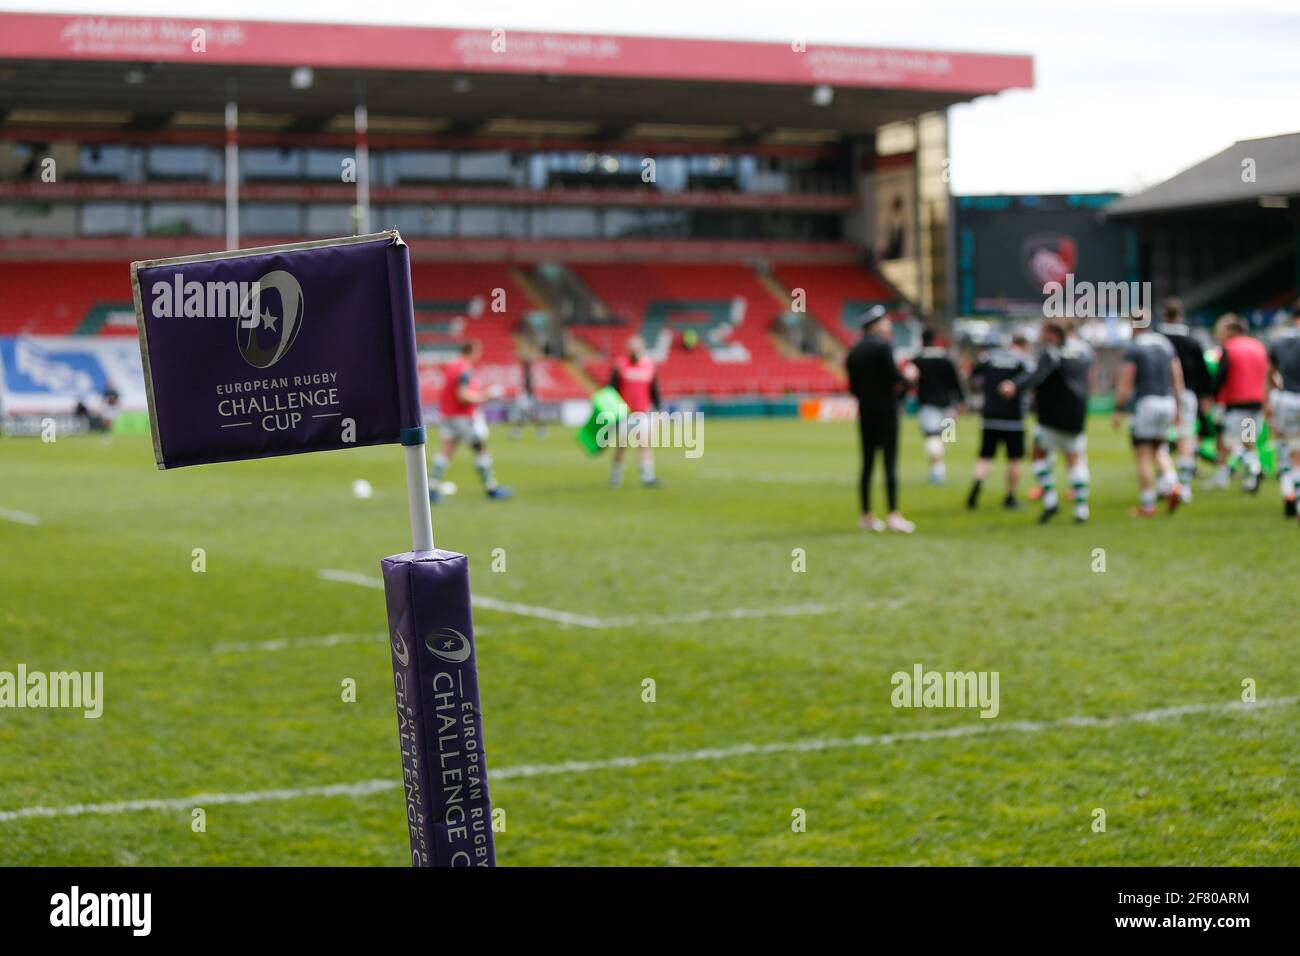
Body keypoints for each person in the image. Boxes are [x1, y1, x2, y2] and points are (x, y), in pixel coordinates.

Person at [1001, 320, 1094, 523]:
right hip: (1077, 414)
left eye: (1043, 332)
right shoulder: (1082, 353)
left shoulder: (1050, 353)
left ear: (1053, 334)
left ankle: (1051, 499)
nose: (1041, 336)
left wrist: (1014, 387)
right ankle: (1081, 509)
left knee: (1037, 455)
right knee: (1074, 458)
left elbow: (1037, 376)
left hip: (1053, 414)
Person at [845, 306, 915, 533]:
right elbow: (895, 378)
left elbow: (853, 388)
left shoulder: (854, 351)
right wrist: (910, 378)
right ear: (876, 324)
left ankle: (866, 515)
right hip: (887, 412)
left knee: (866, 465)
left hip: (865, 412)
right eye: (885, 320)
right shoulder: (884, 347)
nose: (888, 324)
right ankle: (893, 514)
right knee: (889, 464)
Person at [1114, 317, 1184, 516]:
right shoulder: (1165, 344)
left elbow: (1126, 379)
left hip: (1146, 403)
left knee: (1143, 453)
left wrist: (1119, 408)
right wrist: (1178, 407)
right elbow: (1177, 377)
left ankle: (1147, 505)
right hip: (1167, 401)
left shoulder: (1134, 347)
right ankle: (1173, 484)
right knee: (1159, 448)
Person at [429, 340, 513, 503]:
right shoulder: (464, 369)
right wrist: (487, 395)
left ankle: (431, 489)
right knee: (480, 449)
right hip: (462, 418)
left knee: (446, 451)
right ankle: (491, 488)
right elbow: (463, 396)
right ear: (472, 351)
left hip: (448, 415)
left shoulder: (452, 366)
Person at [967, 333, 1032, 511]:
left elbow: (973, 375)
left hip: (989, 415)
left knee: (985, 456)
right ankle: (1010, 497)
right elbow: (1031, 378)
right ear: (1024, 345)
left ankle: (976, 488)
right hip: (1013, 418)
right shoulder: (1023, 360)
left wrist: (985, 388)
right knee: (1015, 459)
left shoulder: (989, 357)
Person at [1157, 298, 1214, 501]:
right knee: (1186, 438)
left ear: (1165, 315)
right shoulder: (1193, 342)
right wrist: (1207, 395)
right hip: (1188, 395)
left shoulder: (1158, 340)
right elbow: (1203, 372)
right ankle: (1185, 486)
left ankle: (1166, 482)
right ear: (1180, 316)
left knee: (1159, 439)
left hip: (1161, 393)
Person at [1211, 314, 1270, 493]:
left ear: (1231, 331)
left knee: (1230, 442)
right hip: (1256, 402)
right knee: (1248, 440)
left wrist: (1211, 395)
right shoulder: (1259, 346)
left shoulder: (1229, 348)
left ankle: (1254, 469)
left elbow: (1221, 377)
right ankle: (1252, 479)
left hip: (1236, 403)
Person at [910, 327, 965, 485]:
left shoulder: (918, 360)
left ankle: (937, 469)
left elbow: (910, 380)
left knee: (932, 437)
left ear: (922, 341)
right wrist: (961, 401)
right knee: (947, 436)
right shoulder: (946, 359)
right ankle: (938, 467)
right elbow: (956, 381)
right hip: (948, 405)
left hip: (928, 405)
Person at [609, 335, 661, 488]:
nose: (635, 351)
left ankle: (648, 477)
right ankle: (615, 476)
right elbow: (612, 389)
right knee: (622, 446)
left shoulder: (649, 366)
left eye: (637, 348)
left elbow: (654, 390)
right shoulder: (620, 366)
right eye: (632, 348)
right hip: (625, 413)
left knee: (644, 443)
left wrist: (658, 409)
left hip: (643, 412)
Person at [1265, 299, 1300, 518]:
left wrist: (1270, 395)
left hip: (1286, 399)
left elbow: (1268, 373)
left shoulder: (1280, 340)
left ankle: (1288, 490)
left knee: (1288, 448)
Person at [509, 356, 547, 439]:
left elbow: (529, 387)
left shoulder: (528, 375)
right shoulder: (527, 374)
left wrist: (530, 398)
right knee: (527, 415)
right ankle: (539, 430)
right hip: (527, 397)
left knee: (529, 415)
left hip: (528, 397)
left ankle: (540, 430)